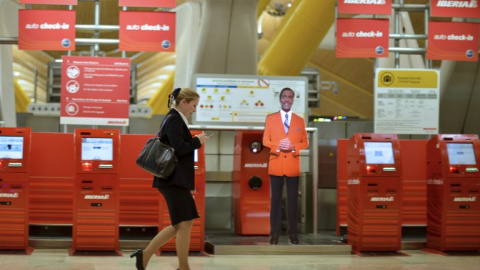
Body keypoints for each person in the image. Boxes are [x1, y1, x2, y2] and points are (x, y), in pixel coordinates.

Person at [131, 87, 210, 270]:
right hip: (173, 179)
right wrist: (198, 140)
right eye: (194, 105)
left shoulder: (175, 119)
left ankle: (146, 255)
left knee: (182, 223)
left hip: (174, 179)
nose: (194, 109)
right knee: (185, 222)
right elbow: (179, 147)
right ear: (184, 102)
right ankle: (182, 267)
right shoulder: (174, 119)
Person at [262, 87, 309, 245]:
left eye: (289, 97)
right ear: (280, 99)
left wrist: (293, 147)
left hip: (292, 167)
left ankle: (293, 234)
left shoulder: (299, 120)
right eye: (284, 97)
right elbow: (265, 141)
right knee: (275, 201)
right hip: (275, 165)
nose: (287, 99)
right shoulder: (271, 119)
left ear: (293, 100)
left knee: (292, 202)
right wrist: (278, 146)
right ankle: (274, 234)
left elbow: (305, 142)